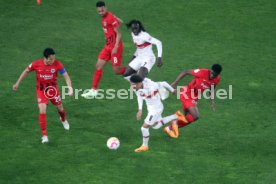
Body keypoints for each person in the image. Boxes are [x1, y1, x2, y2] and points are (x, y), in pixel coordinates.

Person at [12, 48, 73, 144]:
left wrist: (69, 87)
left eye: (54, 58)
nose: (53, 61)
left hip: (53, 89)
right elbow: (26, 71)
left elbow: (66, 75)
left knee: (60, 108)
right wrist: (17, 83)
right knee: (42, 110)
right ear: (46, 58)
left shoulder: (57, 64)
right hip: (41, 90)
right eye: (51, 59)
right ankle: (44, 135)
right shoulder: (36, 64)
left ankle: (63, 120)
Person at [130, 74, 186, 152]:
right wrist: (140, 109)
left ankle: (144, 146)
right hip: (151, 108)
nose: (132, 86)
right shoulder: (137, 87)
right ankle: (176, 115)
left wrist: (172, 90)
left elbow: (163, 83)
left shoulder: (151, 86)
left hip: (156, 109)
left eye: (133, 84)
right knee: (156, 126)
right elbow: (139, 96)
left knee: (144, 127)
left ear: (139, 83)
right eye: (131, 84)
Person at [164, 64, 222, 138]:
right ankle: (172, 125)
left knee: (188, 118)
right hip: (186, 93)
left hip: (194, 97)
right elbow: (185, 72)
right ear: (210, 70)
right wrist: (175, 83)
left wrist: (212, 100)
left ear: (218, 75)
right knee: (195, 116)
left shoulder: (217, 79)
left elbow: (212, 88)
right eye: (212, 73)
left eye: (214, 75)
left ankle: (171, 126)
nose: (212, 76)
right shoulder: (202, 72)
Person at [82, 1, 125, 98]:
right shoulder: (107, 17)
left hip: (115, 48)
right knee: (98, 66)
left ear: (105, 8)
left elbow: (119, 33)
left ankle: (134, 70)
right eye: (99, 12)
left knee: (116, 71)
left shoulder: (110, 18)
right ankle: (94, 90)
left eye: (102, 10)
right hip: (108, 47)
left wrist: (115, 47)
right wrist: (115, 17)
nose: (101, 13)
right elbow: (121, 22)